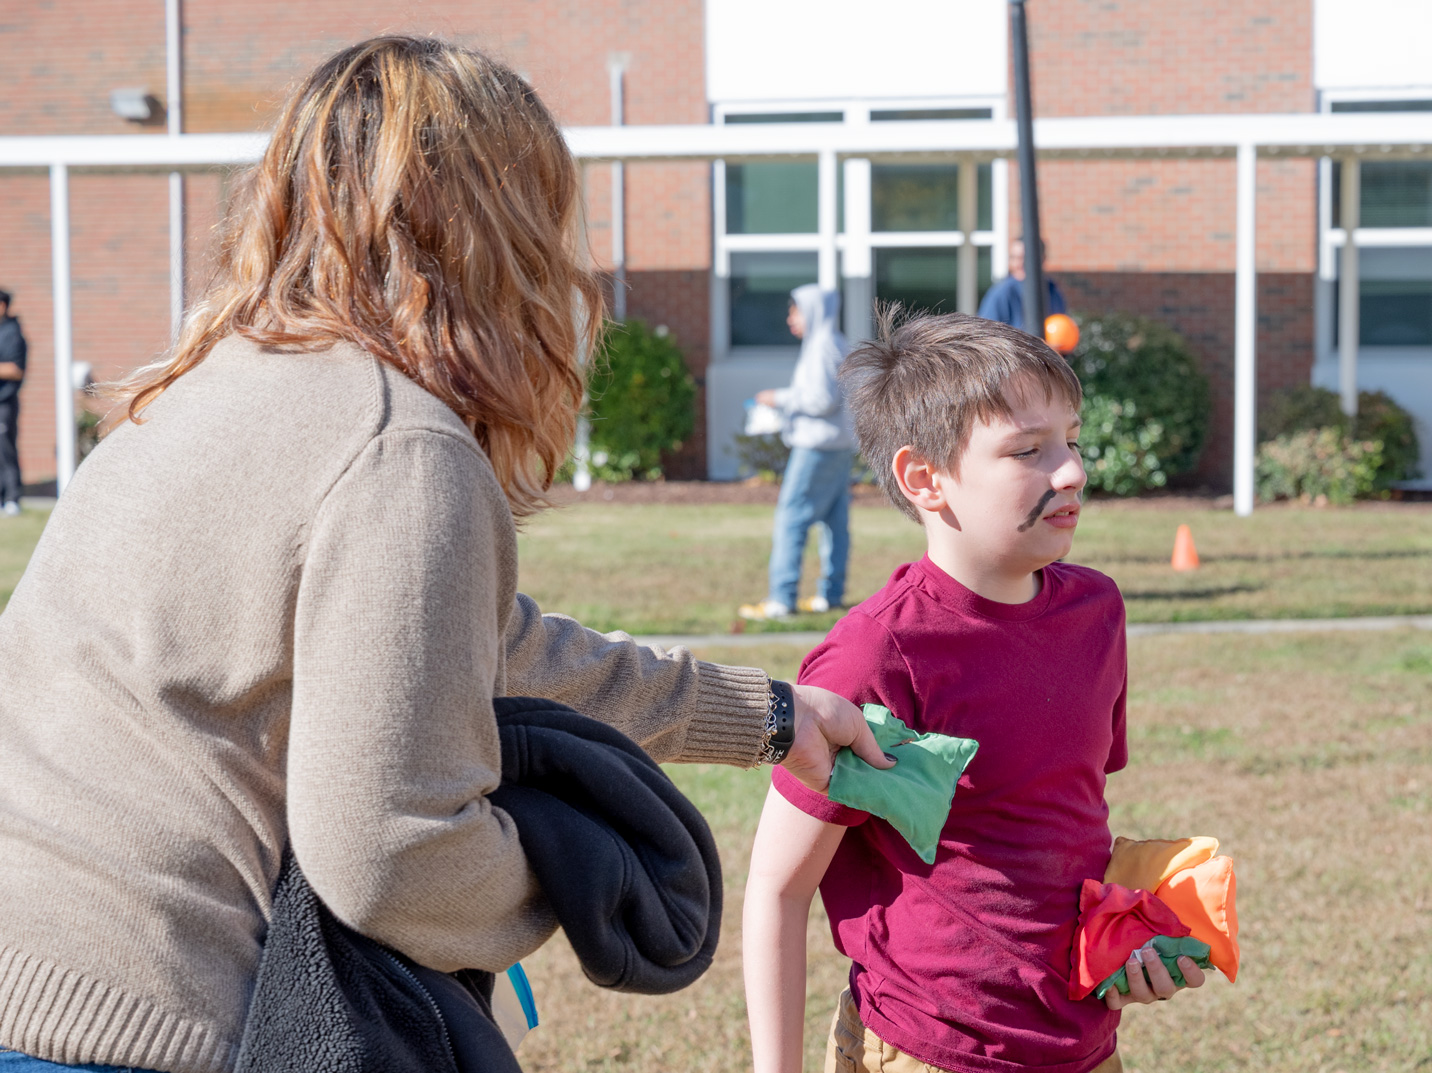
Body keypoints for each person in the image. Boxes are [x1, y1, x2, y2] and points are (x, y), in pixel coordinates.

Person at [0, 37, 889, 1073]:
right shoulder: (398, 443)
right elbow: (389, 851)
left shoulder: (197, 388)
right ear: (497, 227)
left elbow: (474, 642)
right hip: (154, 1016)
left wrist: (767, 715)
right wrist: (568, 873)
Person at [743, 313, 1203, 1073]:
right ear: (925, 478)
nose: (1073, 471)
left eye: (1071, 441)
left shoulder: (1097, 612)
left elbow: (1054, 825)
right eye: (1028, 450)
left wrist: (1129, 936)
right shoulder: (876, 657)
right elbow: (778, 888)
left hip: (1082, 1047)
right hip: (931, 1049)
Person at [739, 284, 856, 621]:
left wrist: (779, 398)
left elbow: (821, 400)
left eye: (795, 310)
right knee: (836, 521)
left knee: (791, 519)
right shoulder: (836, 344)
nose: (790, 317)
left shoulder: (821, 347)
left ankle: (781, 598)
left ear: (813, 311)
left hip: (814, 447)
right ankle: (830, 595)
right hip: (837, 447)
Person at [976, 236, 1067, 332]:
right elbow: (986, 335)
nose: (1019, 263)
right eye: (1014, 258)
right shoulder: (1002, 293)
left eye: (1025, 258)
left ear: (1043, 258)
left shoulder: (1052, 290)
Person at [0, 289, 24, 516]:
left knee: (5, 450)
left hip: (4, 403)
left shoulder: (12, 333)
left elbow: (15, 369)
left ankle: (12, 499)